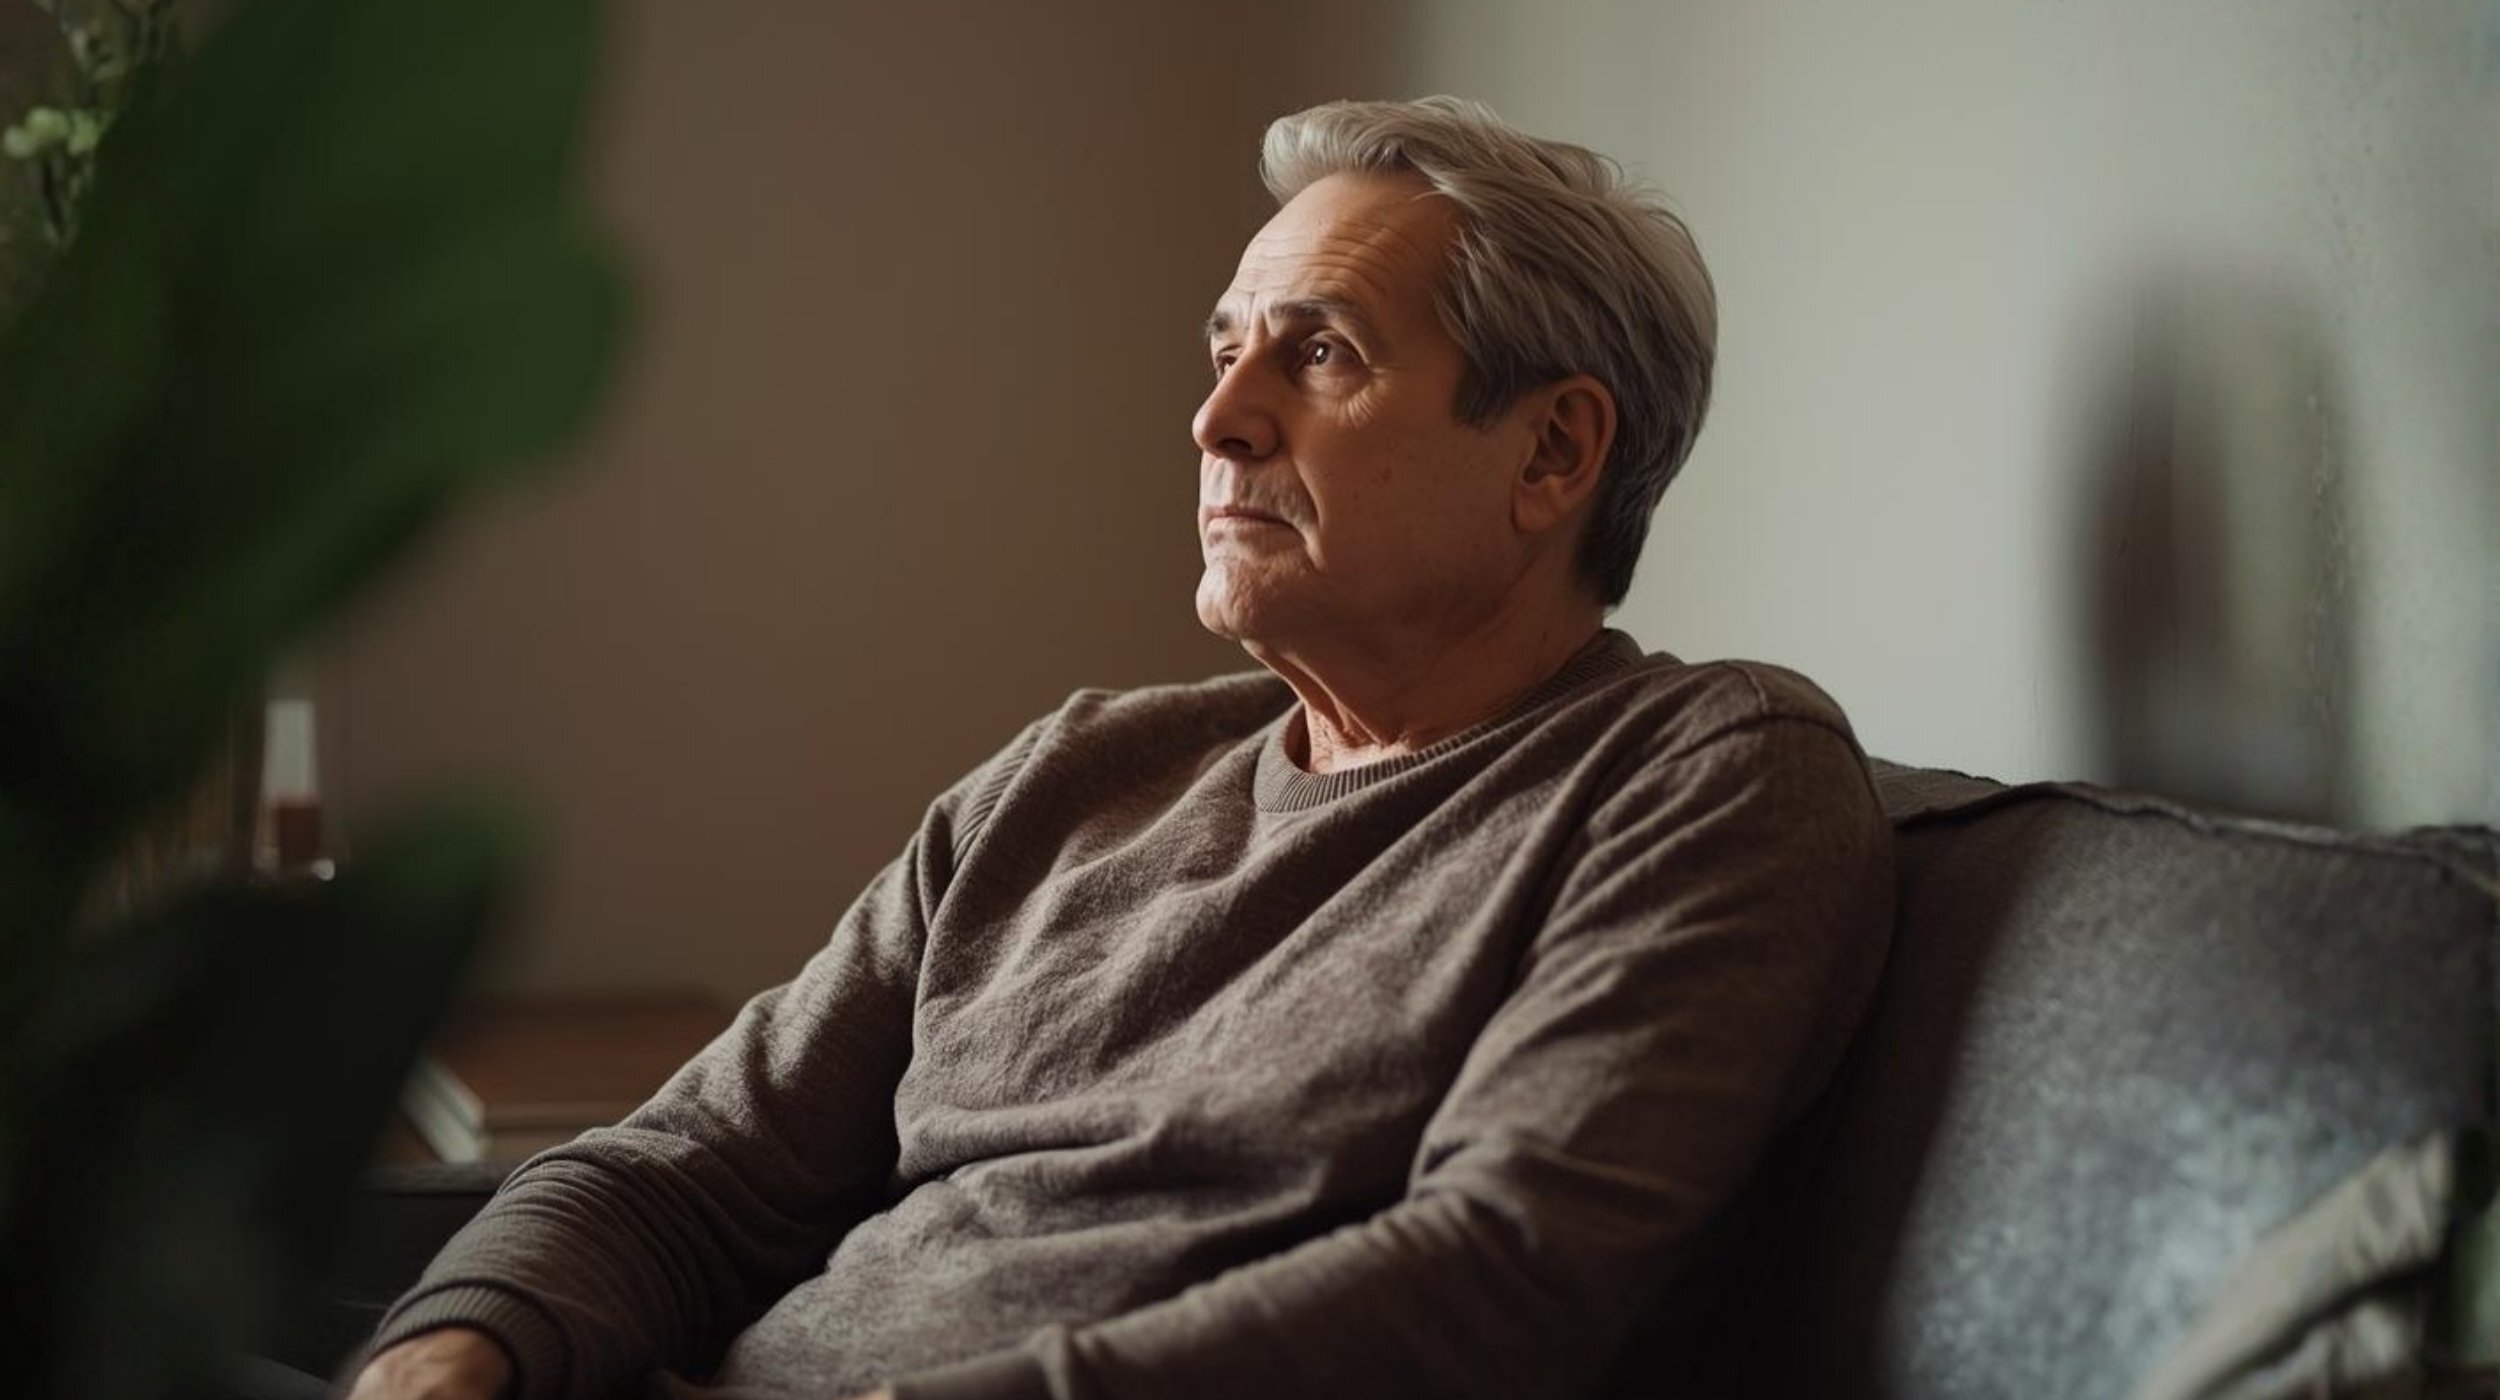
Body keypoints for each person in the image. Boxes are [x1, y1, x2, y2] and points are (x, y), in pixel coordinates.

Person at [345, 96, 1893, 1400]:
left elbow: (1505, 1272)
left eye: (1322, 355)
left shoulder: (1707, 775)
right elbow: (683, 1172)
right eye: (1225, 349)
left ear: (1553, 451)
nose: (1218, 418)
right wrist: (446, 1358)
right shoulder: (1075, 779)